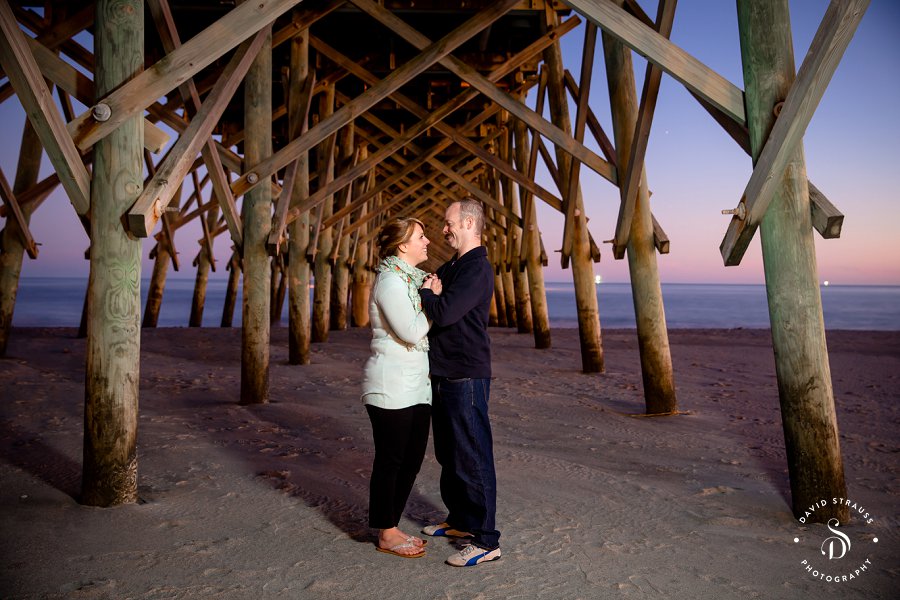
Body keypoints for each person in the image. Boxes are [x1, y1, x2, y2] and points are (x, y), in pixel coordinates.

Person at [418, 198, 500, 567]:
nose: (444, 229)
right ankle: (460, 521)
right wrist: (432, 290)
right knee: (449, 453)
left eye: (449, 222)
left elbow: (446, 312)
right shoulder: (455, 264)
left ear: (468, 223)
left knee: (473, 455)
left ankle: (486, 540)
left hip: (466, 372)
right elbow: (435, 289)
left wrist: (428, 296)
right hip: (445, 369)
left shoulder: (476, 268)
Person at [362, 217, 433, 559]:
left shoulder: (412, 281)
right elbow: (410, 330)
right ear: (403, 245)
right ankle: (386, 532)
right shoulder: (390, 281)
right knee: (391, 460)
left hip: (416, 385)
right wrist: (434, 301)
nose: (428, 241)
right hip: (390, 384)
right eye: (421, 236)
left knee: (411, 460)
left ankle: (391, 524)